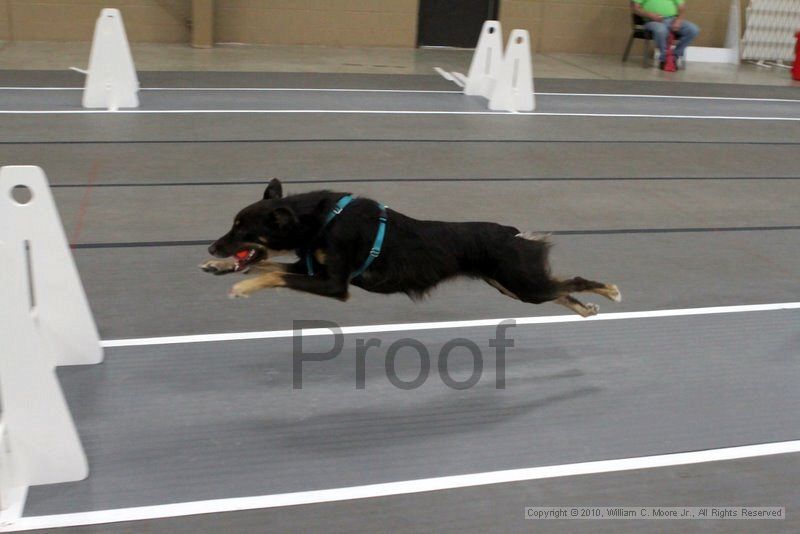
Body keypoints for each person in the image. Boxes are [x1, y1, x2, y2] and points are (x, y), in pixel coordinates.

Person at [631, 0, 700, 69]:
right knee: (661, 30)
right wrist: (649, 15)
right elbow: (635, 8)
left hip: (672, 19)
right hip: (652, 21)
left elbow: (681, 8)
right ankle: (664, 59)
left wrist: (679, 20)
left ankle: (674, 57)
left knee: (693, 29)